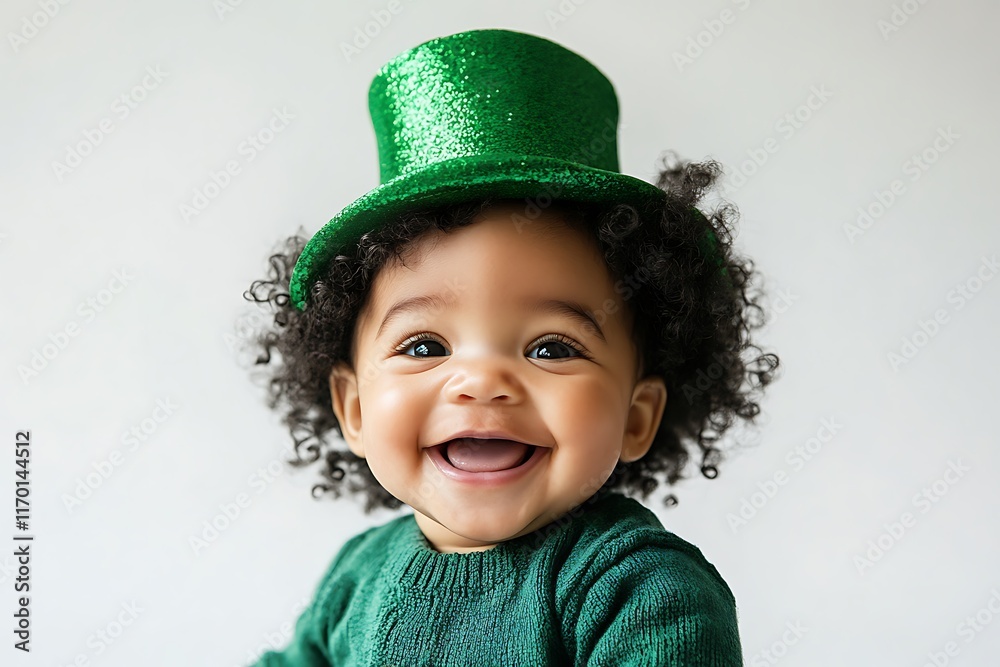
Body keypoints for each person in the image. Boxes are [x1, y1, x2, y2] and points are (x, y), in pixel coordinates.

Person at [241, 27, 779, 666]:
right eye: (424, 346)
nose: (481, 380)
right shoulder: (356, 577)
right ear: (354, 409)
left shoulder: (636, 590)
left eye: (551, 348)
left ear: (636, 417)